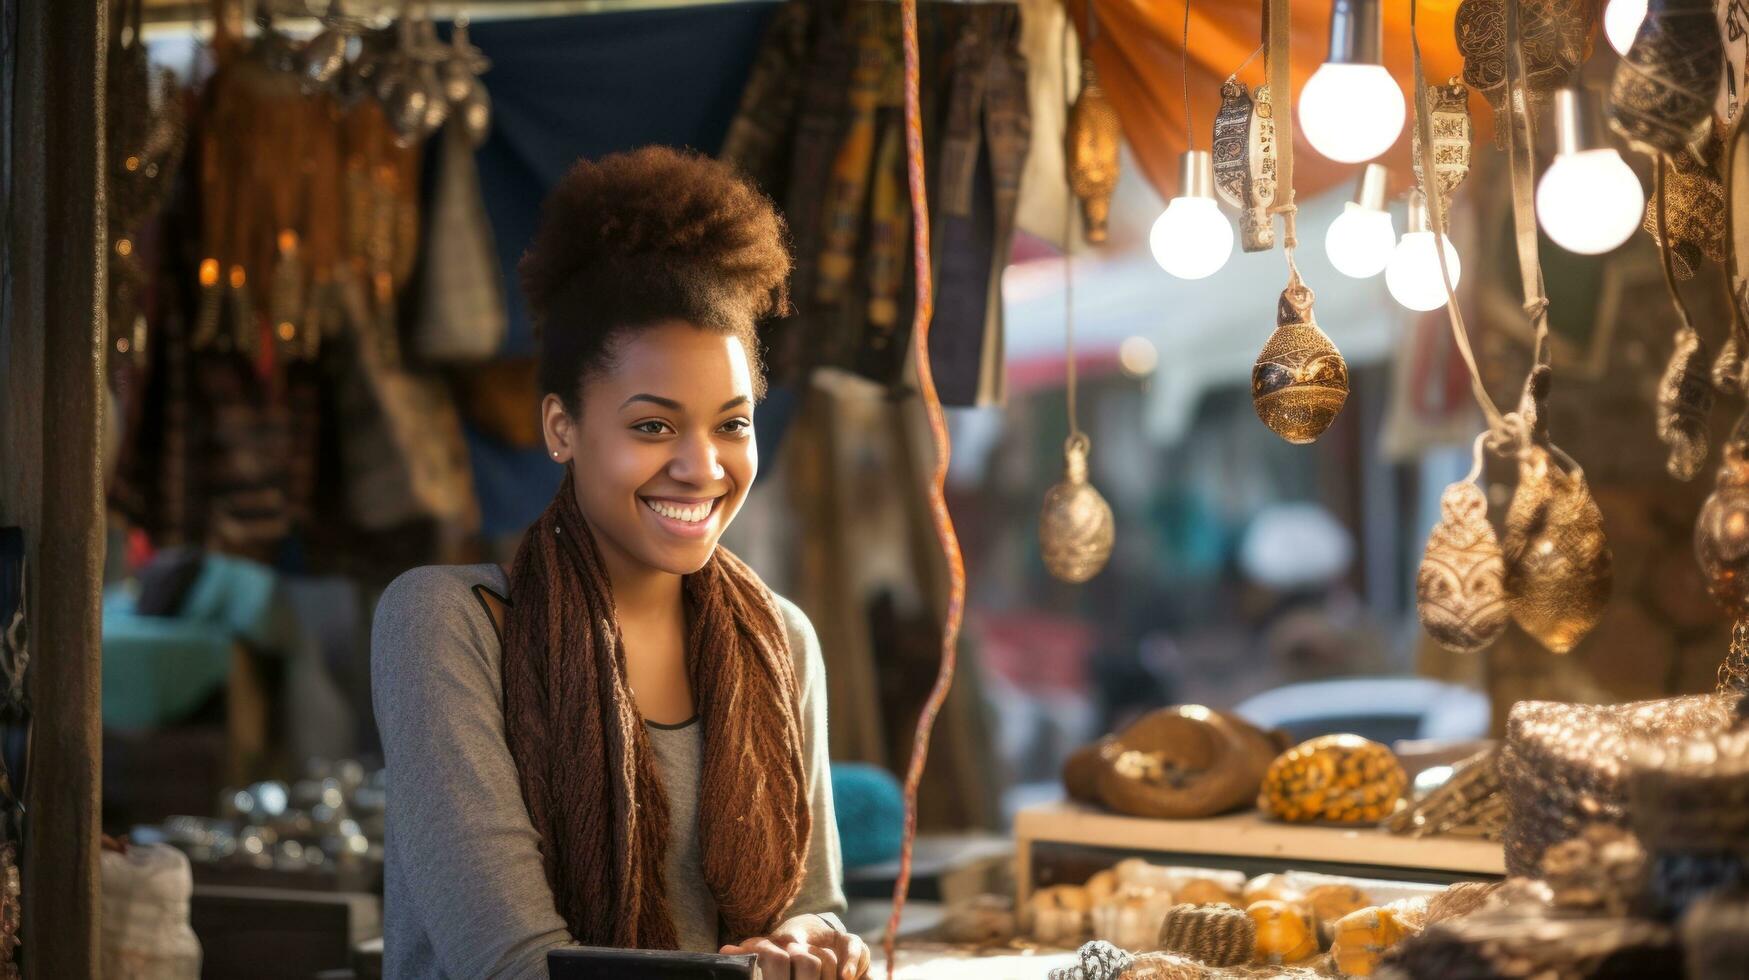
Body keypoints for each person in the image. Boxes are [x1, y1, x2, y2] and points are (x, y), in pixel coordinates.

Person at [372, 147, 869, 980]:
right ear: (561, 428)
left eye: (732, 424)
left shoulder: (782, 640)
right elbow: (513, 965)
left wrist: (805, 944)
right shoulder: (443, 624)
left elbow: (805, 899)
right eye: (653, 426)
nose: (702, 467)